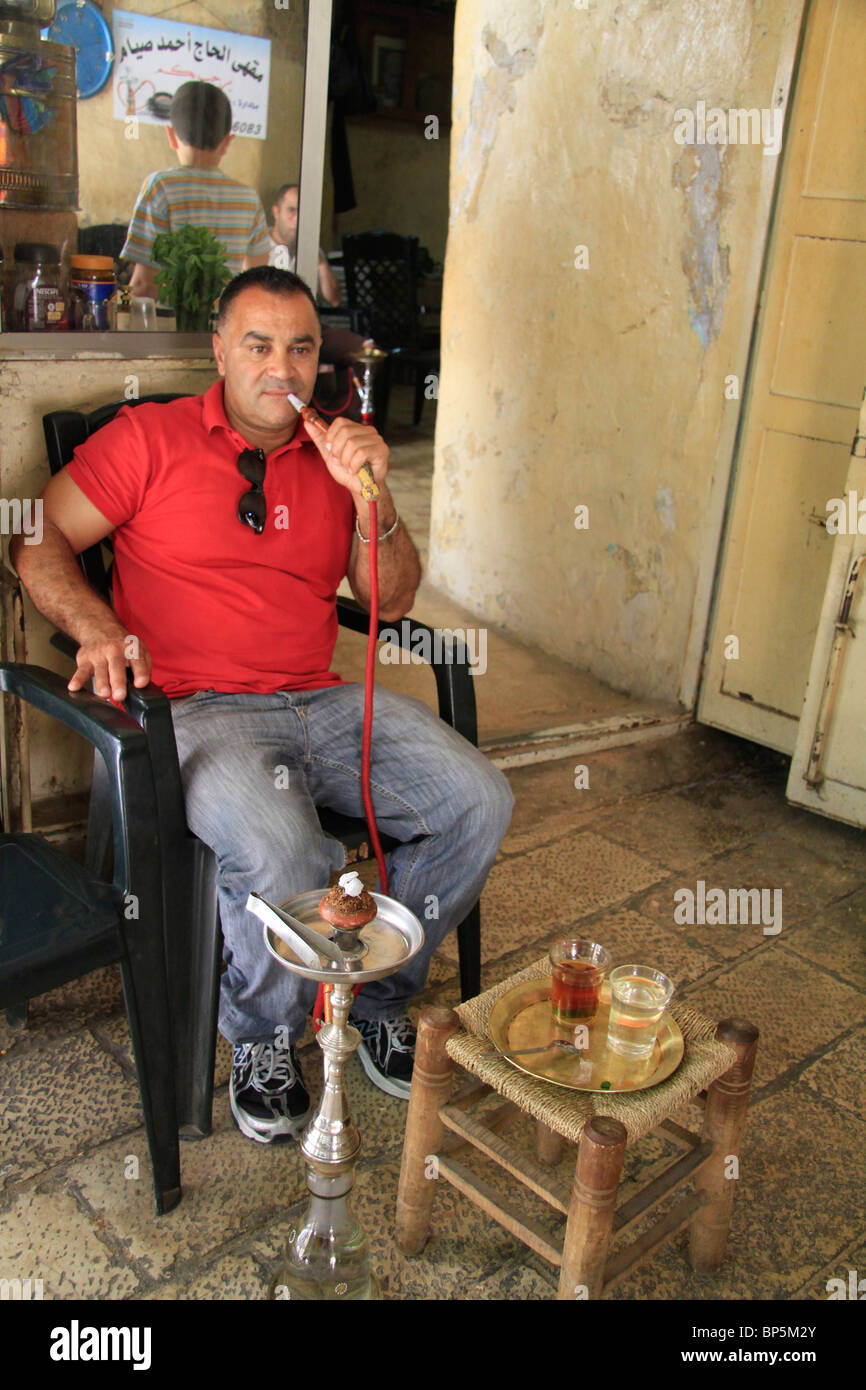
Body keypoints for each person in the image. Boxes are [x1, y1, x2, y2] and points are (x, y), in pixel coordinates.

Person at [11, 267, 513, 1146]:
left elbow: (388, 602)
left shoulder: (336, 456)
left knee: (480, 800)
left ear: (320, 360)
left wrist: (376, 495)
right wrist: (93, 622)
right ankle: (266, 1037)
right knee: (289, 852)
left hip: (321, 701)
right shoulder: (150, 438)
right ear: (218, 351)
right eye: (258, 345)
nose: (281, 366)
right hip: (199, 709)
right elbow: (33, 531)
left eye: (301, 348)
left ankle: (379, 999)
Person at [121, 81, 271, 301]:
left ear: (171, 135)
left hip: (172, 331)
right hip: (225, 329)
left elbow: (145, 285)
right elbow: (254, 283)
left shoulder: (161, 188)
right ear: (227, 142)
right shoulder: (248, 200)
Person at [268, 183, 340, 308]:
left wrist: (321, 264)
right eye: (291, 210)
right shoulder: (257, 248)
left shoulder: (311, 248)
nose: (297, 218)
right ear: (276, 212)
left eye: (303, 212)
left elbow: (334, 300)